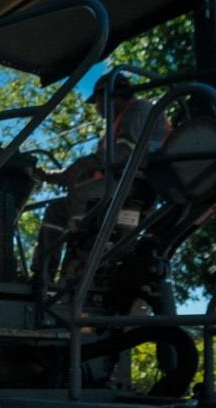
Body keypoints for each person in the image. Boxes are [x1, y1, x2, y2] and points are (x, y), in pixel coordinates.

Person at [32, 73, 171, 284]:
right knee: (57, 210)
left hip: (138, 183)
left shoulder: (138, 110)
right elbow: (96, 168)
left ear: (112, 96)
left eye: (97, 102)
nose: (96, 108)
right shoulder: (115, 126)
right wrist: (49, 176)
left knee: (80, 197)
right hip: (118, 182)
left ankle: (81, 244)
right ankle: (44, 277)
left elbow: (123, 155)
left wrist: (84, 165)